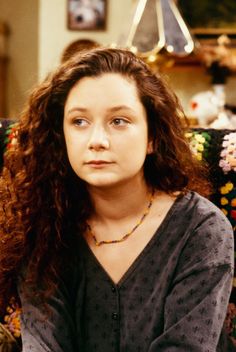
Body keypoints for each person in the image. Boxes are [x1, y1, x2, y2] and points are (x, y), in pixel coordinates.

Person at [0, 47, 234, 352]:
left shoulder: (202, 230)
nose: (97, 141)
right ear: (61, 135)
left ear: (153, 137)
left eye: (119, 121)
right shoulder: (43, 225)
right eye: (79, 122)